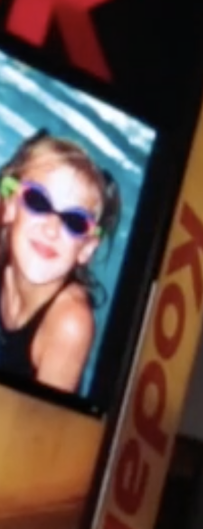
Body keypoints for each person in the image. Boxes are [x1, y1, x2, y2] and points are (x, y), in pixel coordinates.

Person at [0, 132, 122, 394]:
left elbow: (44, 430)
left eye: (74, 222)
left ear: (86, 248)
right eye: (37, 201)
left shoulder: (69, 324)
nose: (52, 228)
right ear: (10, 205)